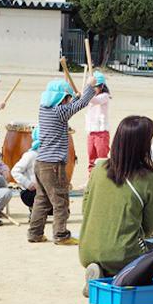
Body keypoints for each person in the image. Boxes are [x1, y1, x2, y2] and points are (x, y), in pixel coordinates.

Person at [79, 116, 153, 297]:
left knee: (118, 246)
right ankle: (119, 275)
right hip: (122, 253)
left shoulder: (98, 168)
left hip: (87, 248)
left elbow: (85, 208)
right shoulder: (149, 178)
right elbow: (150, 226)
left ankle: (101, 271)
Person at [27, 77, 96, 245]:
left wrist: (74, 97)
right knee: (61, 200)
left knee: (42, 200)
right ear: (61, 99)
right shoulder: (60, 112)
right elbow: (79, 106)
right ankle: (60, 234)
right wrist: (89, 86)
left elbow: (71, 105)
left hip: (41, 163)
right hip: (53, 165)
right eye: (67, 98)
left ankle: (34, 233)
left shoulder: (44, 109)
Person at [11, 127, 43, 213]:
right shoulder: (30, 155)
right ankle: (33, 208)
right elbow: (15, 171)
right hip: (32, 192)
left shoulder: (50, 155)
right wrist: (28, 184)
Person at [85, 71, 111, 173]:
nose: (94, 89)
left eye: (95, 87)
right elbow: (85, 100)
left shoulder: (104, 96)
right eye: (93, 87)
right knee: (91, 158)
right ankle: (90, 180)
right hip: (91, 132)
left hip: (101, 133)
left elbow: (95, 100)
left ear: (102, 86)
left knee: (101, 160)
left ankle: (103, 180)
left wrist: (88, 89)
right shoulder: (90, 96)